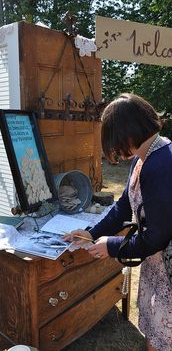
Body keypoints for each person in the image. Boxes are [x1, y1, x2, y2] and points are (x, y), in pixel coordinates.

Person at [63, 93, 172, 351]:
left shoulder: (162, 164)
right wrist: (91, 233)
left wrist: (111, 246)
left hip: (168, 266)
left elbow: (157, 237)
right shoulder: (143, 156)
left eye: (114, 141)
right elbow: (123, 206)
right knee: (155, 330)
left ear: (128, 133)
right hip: (158, 265)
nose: (114, 151)